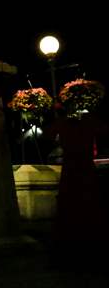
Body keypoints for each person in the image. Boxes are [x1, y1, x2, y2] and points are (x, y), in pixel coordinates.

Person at [45, 112, 109, 265]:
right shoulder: (88, 122)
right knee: (85, 201)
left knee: (75, 202)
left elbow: (48, 134)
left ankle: (73, 245)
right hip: (82, 167)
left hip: (74, 167)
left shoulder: (66, 123)